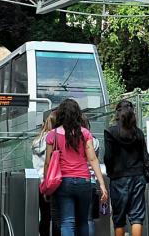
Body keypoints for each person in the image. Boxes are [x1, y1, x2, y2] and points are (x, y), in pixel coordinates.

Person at [46, 99, 108, 236]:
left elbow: (48, 162)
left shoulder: (53, 135)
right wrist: (102, 184)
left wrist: (47, 183)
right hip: (84, 181)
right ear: (77, 114)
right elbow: (92, 159)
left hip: (63, 182)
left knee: (67, 221)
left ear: (61, 114)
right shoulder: (85, 133)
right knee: (83, 221)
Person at [104, 100, 148, 236]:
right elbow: (144, 155)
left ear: (117, 113)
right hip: (138, 177)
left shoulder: (110, 132)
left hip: (118, 178)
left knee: (119, 219)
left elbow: (108, 157)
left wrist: (111, 172)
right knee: (136, 217)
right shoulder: (139, 133)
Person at [34, 111, 60, 236]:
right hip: (53, 181)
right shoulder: (54, 139)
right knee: (56, 215)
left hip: (39, 182)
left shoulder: (36, 141)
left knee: (44, 215)